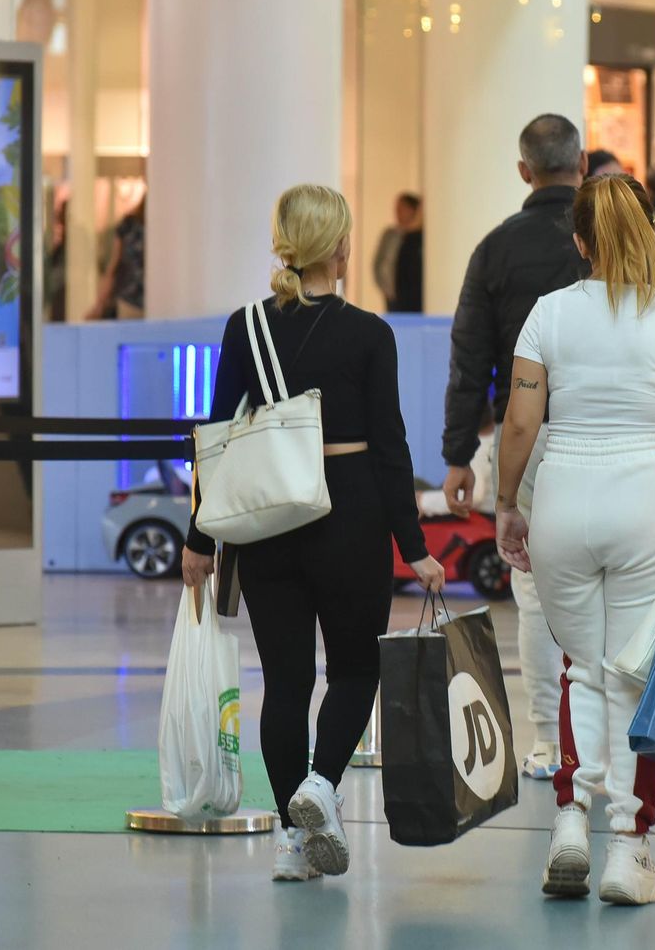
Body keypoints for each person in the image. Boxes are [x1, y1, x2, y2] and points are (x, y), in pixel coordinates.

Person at [180, 184, 445, 883]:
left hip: (266, 522)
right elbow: (390, 448)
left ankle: (292, 845)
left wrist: (198, 540)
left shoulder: (245, 327)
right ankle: (321, 787)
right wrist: (414, 547)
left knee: (287, 681)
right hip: (349, 516)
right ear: (339, 246)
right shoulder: (369, 334)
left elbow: (216, 439)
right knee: (356, 669)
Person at [495, 174, 655, 907]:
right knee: (637, 674)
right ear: (652, 235)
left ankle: (570, 819)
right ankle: (628, 846)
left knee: (579, 667)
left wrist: (508, 505)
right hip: (648, 494)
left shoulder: (547, 314)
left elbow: (518, 424)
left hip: (565, 494)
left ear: (579, 242)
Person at [442, 113, 589, 780]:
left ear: (524, 171)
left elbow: (469, 357)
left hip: (526, 439)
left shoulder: (496, 248)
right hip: (611, 436)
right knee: (608, 593)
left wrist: (455, 453)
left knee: (533, 596)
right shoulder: (609, 242)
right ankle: (601, 745)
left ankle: (546, 744)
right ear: (582, 166)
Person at [87, 196, 144, 320]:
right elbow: (113, 267)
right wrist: (99, 305)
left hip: (162, 302)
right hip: (131, 302)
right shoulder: (129, 225)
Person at [371, 193, 422, 312]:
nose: (397, 212)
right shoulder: (389, 235)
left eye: (401, 209)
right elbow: (379, 263)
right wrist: (385, 288)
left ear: (412, 210)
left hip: (413, 297)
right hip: (392, 295)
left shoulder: (418, 238)